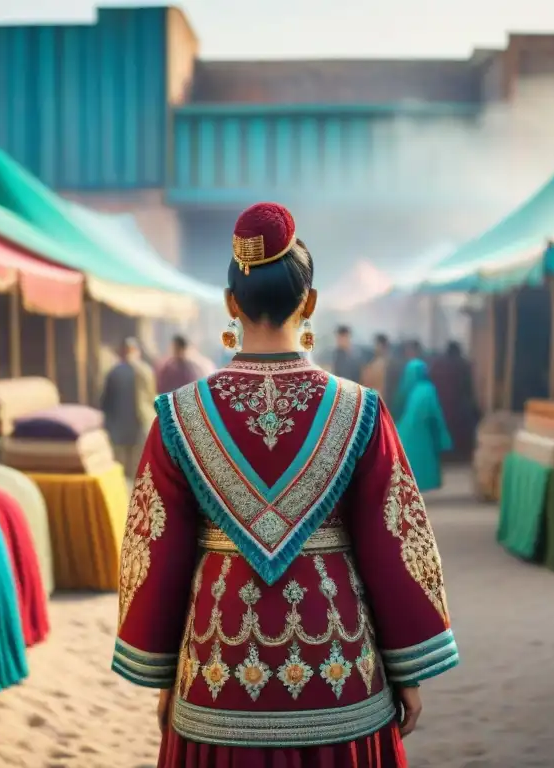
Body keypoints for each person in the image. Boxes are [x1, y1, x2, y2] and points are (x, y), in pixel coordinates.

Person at [111, 202, 459, 767]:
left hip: (216, 669)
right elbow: (395, 542)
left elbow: (154, 552)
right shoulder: (360, 410)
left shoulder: (179, 416)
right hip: (340, 668)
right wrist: (408, 671)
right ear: (311, 302)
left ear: (230, 304)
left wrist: (163, 675)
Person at [99, 337, 156, 478]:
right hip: (140, 425)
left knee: (121, 468)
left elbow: (105, 403)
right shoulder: (145, 371)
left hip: (119, 429)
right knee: (139, 467)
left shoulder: (113, 372)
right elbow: (151, 398)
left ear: (121, 352)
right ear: (136, 351)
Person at [395, 359, 453, 492]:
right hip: (422, 434)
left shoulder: (410, 390)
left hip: (404, 432)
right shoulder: (428, 389)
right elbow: (435, 414)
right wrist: (442, 438)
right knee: (422, 462)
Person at [429, 341, 478, 462]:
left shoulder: (436, 364)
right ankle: (460, 456)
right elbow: (468, 388)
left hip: (440, 405)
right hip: (458, 406)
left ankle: (444, 455)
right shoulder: (464, 365)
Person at [361, 333, 391, 401]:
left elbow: (367, 381)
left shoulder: (378, 364)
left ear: (380, 345)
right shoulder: (384, 362)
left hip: (376, 397)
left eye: (376, 345)